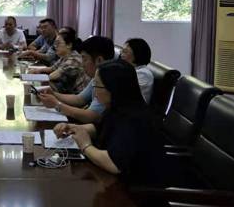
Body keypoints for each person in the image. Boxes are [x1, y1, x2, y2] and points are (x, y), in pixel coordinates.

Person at [53, 59, 166, 187]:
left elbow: (114, 164)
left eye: (97, 85)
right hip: (112, 179)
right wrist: (74, 128)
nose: (94, 91)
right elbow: (101, 128)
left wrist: (85, 146)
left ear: (113, 88)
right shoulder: (119, 107)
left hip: (135, 190)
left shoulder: (134, 119)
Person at [38, 36, 114, 123]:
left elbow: (92, 116)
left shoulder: (108, 81)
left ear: (99, 60)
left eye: (85, 59)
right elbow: (79, 99)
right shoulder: (97, 76)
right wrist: (54, 94)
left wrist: (56, 104)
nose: (82, 64)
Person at [29, 28, 89, 94]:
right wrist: (38, 70)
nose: (55, 46)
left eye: (58, 43)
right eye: (55, 43)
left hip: (78, 96)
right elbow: (52, 68)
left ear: (69, 45)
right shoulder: (65, 56)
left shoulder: (74, 59)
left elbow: (52, 76)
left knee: (43, 87)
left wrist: (31, 77)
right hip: (69, 90)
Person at [120, 38, 154, 104]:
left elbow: (125, 94)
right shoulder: (127, 68)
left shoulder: (144, 74)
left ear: (137, 54)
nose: (121, 54)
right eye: (121, 51)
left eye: (125, 51)